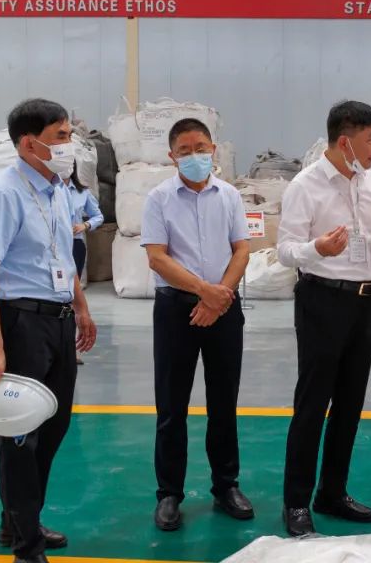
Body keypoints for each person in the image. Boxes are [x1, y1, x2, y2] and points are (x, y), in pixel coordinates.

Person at [0, 99, 97, 563]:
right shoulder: (1, 193)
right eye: (61, 136)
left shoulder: (58, 190)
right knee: (19, 435)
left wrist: (81, 307)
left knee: (54, 425)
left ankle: (19, 518)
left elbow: (63, 256)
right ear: (29, 143)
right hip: (20, 323)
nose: (69, 144)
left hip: (58, 321)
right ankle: (27, 547)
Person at [277, 100, 371, 537]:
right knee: (313, 404)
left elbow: (370, 233)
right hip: (323, 301)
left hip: (364, 303)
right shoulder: (305, 186)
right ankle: (296, 501)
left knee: (350, 403)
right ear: (345, 141)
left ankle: (332, 491)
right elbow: (284, 249)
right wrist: (317, 249)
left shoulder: (369, 180)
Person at [142, 118, 254, 530]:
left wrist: (219, 296)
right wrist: (205, 292)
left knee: (224, 402)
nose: (195, 156)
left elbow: (241, 250)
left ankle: (226, 486)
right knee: (171, 407)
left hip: (224, 308)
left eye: (201, 148)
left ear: (214, 149)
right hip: (176, 310)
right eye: (185, 151)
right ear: (172, 156)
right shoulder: (158, 198)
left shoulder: (229, 196)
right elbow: (157, 257)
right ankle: (169, 493)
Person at [65, 169, 102, 365]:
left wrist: (84, 226)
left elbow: (98, 216)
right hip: (51, 247)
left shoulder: (82, 192)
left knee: (71, 296)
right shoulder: (46, 189)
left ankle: (70, 347)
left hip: (74, 245)